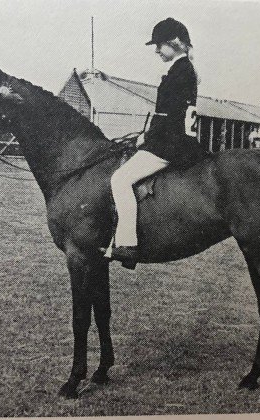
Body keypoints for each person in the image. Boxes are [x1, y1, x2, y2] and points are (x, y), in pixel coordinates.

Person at [106, 17, 203, 266]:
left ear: (176, 43)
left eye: (160, 45)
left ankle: (127, 244)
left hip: (170, 145)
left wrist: (147, 138)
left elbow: (170, 118)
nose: (157, 50)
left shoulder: (179, 72)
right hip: (178, 141)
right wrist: (145, 135)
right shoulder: (184, 70)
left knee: (120, 179)